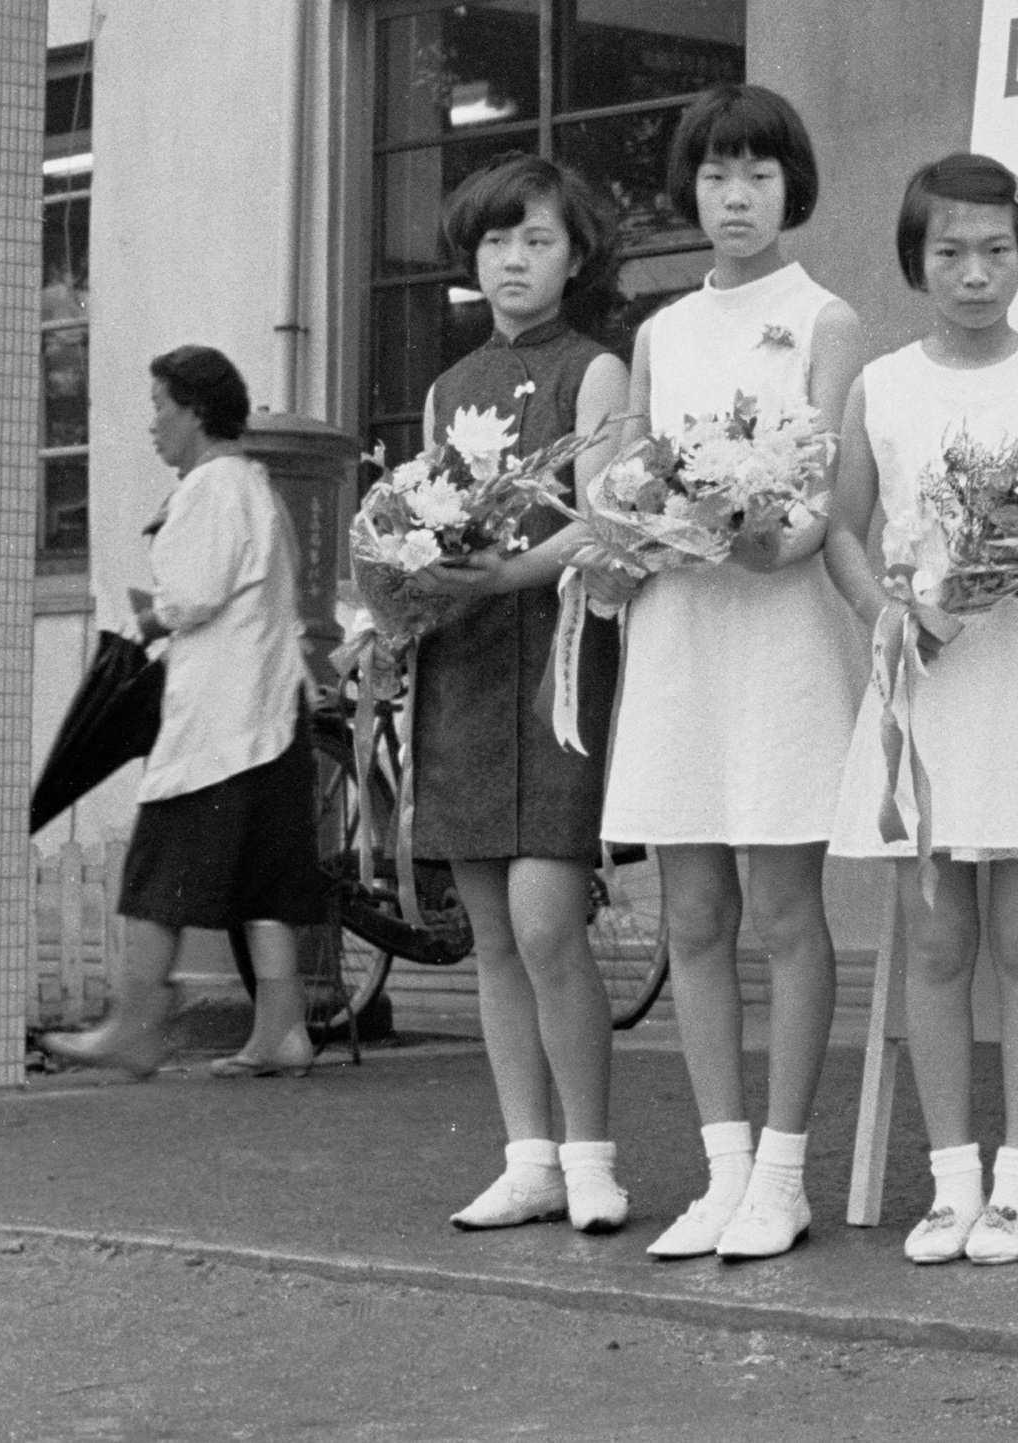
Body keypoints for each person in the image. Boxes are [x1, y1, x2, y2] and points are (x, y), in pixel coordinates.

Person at [824, 154, 1018, 1266]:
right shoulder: (881, 385)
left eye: (995, 251)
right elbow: (842, 528)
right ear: (915, 261)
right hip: (925, 683)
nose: (973, 272)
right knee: (935, 937)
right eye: (949, 251)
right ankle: (950, 1181)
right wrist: (888, 616)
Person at [599, 84, 866, 1262]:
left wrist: (767, 537)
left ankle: (784, 1176)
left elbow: (824, 496)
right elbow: (625, 476)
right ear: (690, 190)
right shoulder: (657, 333)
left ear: (789, 184)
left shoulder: (825, 320)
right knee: (694, 914)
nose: (736, 196)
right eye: (714, 174)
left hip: (778, 633)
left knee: (783, 912)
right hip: (679, 637)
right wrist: (634, 522)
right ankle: (721, 1172)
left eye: (757, 173)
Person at [408, 155, 633, 1237]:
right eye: (497, 240)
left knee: (548, 924)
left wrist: (503, 574)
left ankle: (591, 1158)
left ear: (575, 256)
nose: (513, 260)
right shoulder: (447, 386)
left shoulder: (595, 371)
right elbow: (418, 519)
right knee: (492, 932)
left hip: (559, 661)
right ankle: (527, 1157)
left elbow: (605, 520)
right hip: (461, 663)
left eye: (537, 240)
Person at [46, 345, 322, 1080]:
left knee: (154, 873)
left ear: (195, 411)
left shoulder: (209, 487)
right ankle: (282, 1030)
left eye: (159, 406)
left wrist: (145, 619)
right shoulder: (255, 485)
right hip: (273, 711)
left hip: (218, 725)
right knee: (265, 883)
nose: (153, 424)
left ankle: (134, 1029)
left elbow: (194, 594)